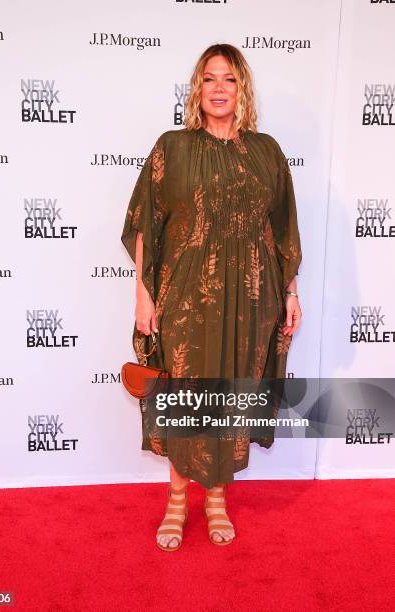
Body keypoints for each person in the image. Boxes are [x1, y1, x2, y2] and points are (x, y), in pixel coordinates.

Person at [121, 43, 302, 551]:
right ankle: (177, 500)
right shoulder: (172, 147)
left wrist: (289, 291)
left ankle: (217, 498)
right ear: (196, 89)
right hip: (184, 295)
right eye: (208, 79)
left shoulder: (266, 151)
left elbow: (283, 229)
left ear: (242, 88)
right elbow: (144, 227)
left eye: (229, 79)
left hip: (251, 298)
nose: (218, 89)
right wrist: (143, 296)